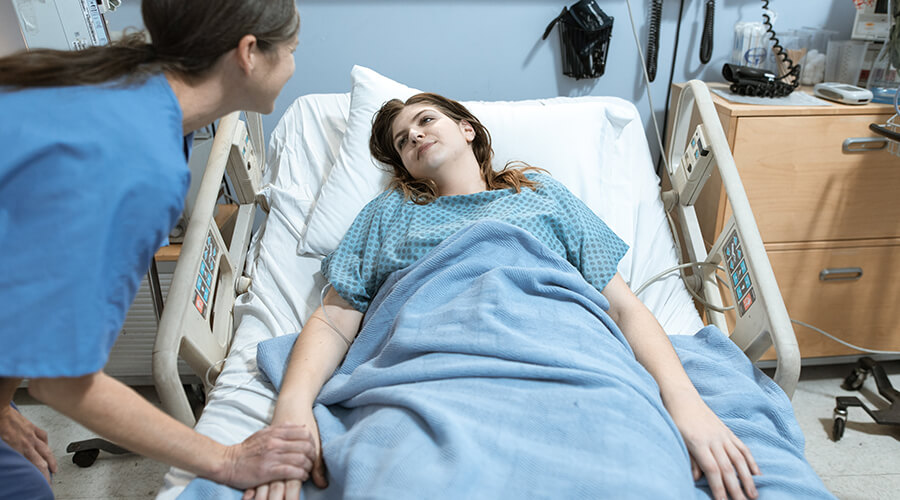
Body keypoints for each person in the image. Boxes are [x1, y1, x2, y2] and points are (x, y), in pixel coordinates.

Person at [248, 93, 761, 500]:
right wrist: (293, 405)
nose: (415, 135)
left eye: (426, 121)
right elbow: (335, 319)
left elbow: (624, 307)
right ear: (405, 166)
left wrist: (685, 402)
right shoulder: (389, 212)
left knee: (634, 471)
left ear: (466, 129)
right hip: (431, 367)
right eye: (403, 141)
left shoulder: (539, 194)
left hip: (570, 354)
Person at [0, 1, 317, 498]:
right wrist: (228, 458)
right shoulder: (141, 160)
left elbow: (25, 277)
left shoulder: (130, 89)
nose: (295, 65)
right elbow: (62, 381)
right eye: (292, 50)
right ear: (249, 53)